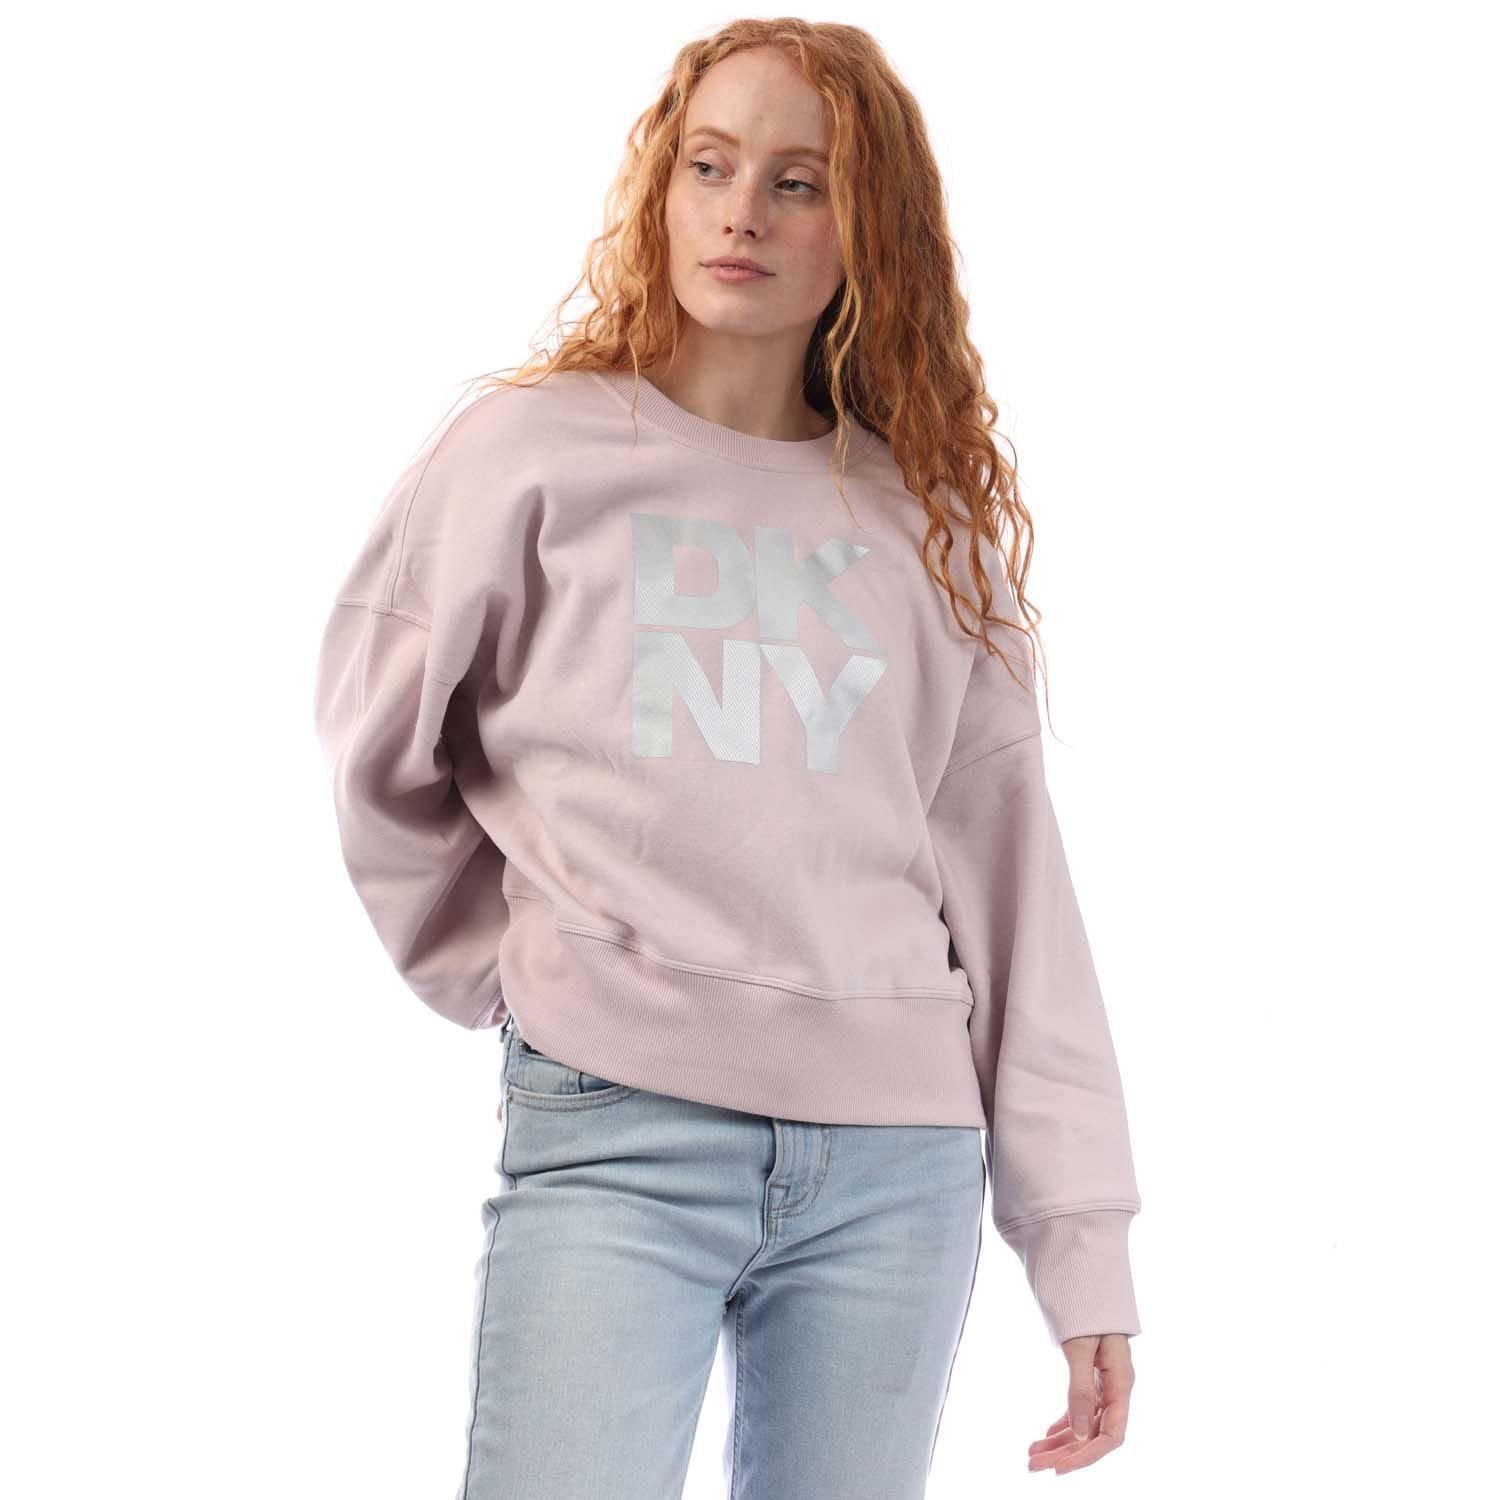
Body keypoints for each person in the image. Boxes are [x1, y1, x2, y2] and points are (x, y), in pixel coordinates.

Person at [312, 19, 1141, 1496]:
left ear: (867, 229)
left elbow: (1018, 894)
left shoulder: (926, 524)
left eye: (796, 181)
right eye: (710, 166)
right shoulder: (528, 458)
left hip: (896, 1165)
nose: (742, 212)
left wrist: (1079, 1248)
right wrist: (521, 965)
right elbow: (381, 745)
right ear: (664, 188)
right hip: (614, 1129)